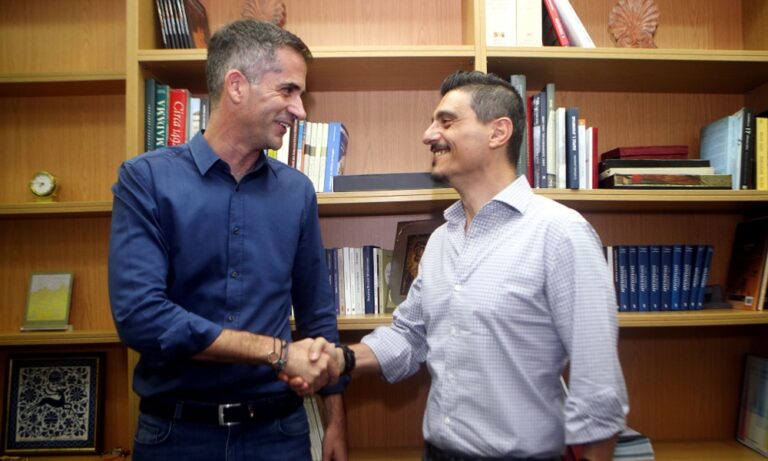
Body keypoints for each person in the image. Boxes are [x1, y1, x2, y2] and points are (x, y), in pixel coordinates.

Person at [287, 70, 629, 461]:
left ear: (498, 132)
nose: (428, 135)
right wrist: (341, 359)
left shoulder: (561, 233)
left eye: (446, 122)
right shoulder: (439, 241)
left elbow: (598, 383)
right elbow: (409, 337)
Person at [108, 19, 347, 461]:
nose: (300, 110)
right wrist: (277, 353)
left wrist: (335, 423)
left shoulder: (297, 192)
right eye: (288, 90)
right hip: (176, 437)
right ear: (236, 86)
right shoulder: (146, 181)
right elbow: (141, 317)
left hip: (279, 434)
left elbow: (316, 311)